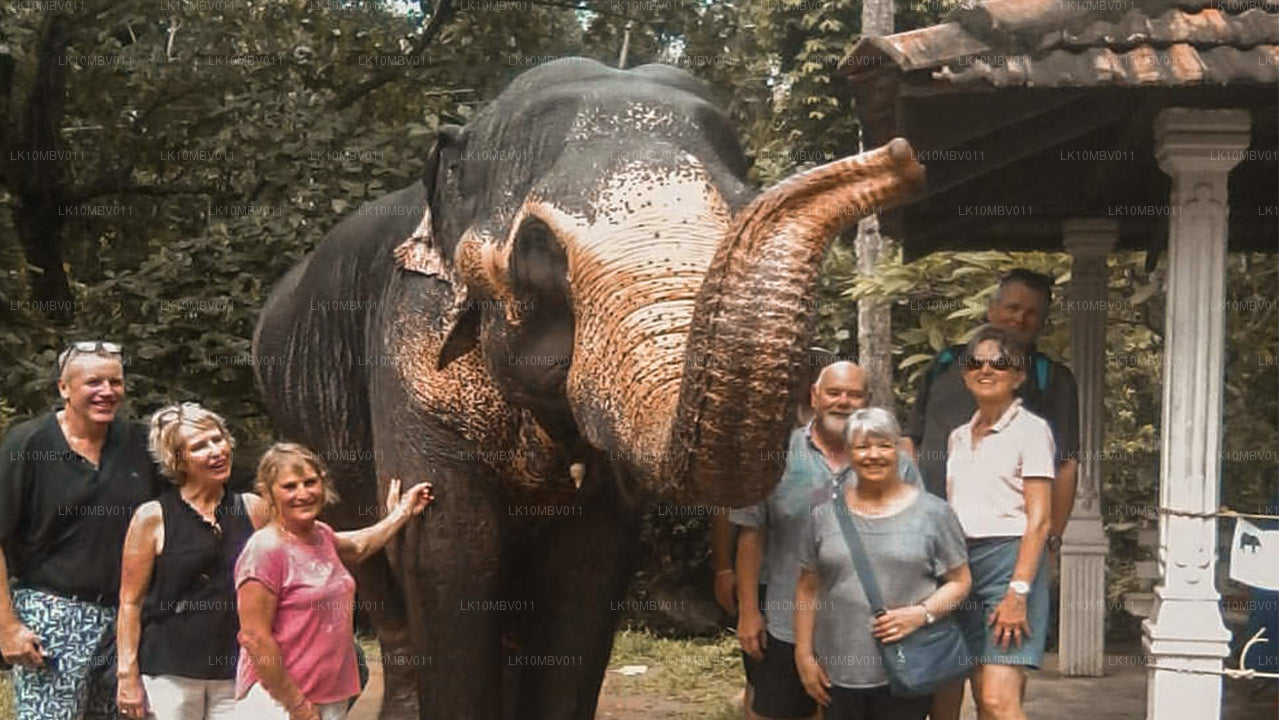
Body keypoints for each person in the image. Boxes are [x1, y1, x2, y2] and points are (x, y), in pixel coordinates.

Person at [733, 362, 924, 720]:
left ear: (867, 401)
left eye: (854, 395)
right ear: (814, 396)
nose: (843, 402)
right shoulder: (775, 456)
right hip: (788, 622)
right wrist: (748, 612)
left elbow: (919, 542)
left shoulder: (896, 463)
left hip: (868, 634)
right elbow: (750, 534)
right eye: (834, 393)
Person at [0, 341, 165, 720]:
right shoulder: (29, 444)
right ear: (64, 388)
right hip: (52, 615)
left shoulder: (141, 443)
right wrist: (7, 627)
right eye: (94, 382)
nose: (107, 392)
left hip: (127, 621)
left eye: (115, 382)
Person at [233, 443, 434, 720]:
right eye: (289, 486)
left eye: (310, 482)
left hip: (328, 697)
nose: (303, 494)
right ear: (268, 492)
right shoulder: (265, 549)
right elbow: (255, 638)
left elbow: (360, 545)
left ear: (323, 484)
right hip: (279, 703)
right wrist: (297, 706)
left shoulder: (321, 535)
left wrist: (403, 511)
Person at [794, 408, 971, 720]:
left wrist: (921, 614)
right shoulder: (823, 515)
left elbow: (960, 581)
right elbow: (808, 587)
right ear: (849, 453)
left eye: (884, 445)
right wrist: (804, 654)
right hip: (838, 671)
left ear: (898, 450)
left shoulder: (934, 513)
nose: (873, 455)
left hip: (907, 666)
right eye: (862, 446)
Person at [116, 403, 273, 720]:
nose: (216, 451)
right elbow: (130, 603)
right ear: (178, 460)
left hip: (239, 670)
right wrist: (127, 676)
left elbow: (299, 558)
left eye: (218, 439)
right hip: (170, 673)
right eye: (200, 446)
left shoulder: (253, 509)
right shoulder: (152, 517)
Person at [904, 269, 1078, 552]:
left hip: (1009, 542)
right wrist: (910, 507)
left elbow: (1066, 464)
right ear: (992, 310)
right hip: (931, 530)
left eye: (1032, 313)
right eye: (1013, 308)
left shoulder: (1051, 378)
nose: (1020, 318)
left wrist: (1052, 540)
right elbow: (910, 439)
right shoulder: (946, 363)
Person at [940, 326, 1055, 720]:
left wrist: (1018, 592)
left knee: (997, 700)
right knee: (978, 691)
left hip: (1009, 563)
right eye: (976, 362)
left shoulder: (1032, 430)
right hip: (960, 565)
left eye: (1000, 363)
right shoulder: (958, 436)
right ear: (964, 373)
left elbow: (1040, 520)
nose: (986, 370)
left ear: (1019, 376)